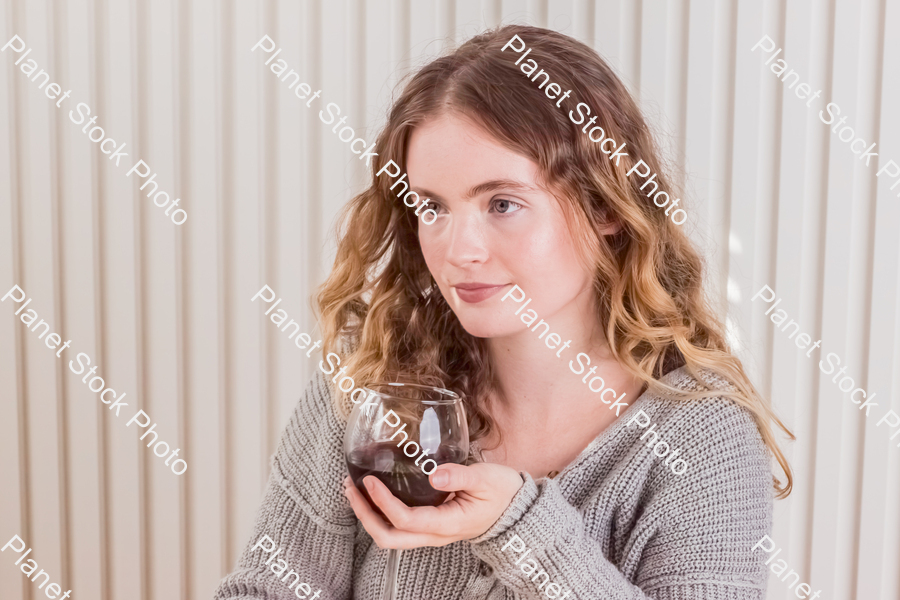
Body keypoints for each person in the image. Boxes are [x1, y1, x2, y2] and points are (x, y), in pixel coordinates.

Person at [214, 24, 793, 600]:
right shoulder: (372, 377)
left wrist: (518, 525)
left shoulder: (701, 441)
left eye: (502, 203)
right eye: (432, 207)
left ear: (606, 207)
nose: (459, 249)